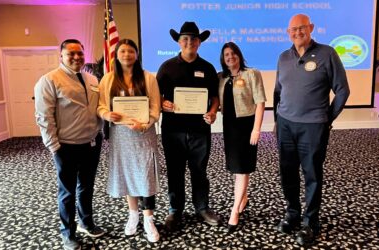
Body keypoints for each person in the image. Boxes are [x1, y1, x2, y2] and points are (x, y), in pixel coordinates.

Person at [273, 14, 350, 246]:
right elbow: (278, 92)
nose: (298, 32)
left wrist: (327, 118)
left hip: (313, 126)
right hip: (285, 124)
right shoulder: (283, 57)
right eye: (293, 29)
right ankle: (293, 213)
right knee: (287, 173)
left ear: (311, 28)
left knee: (312, 175)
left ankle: (310, 222)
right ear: (288, 33)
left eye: (302, 28)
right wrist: (277, 119)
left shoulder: (327, 54)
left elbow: (343, 90)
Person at [34, 39, 104, 250]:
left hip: (91, 142)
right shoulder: (48, 80)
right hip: (65, 146)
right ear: (61, 56)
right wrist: (53, 146)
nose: (76, 57)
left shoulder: (91, 78)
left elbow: (98, 106)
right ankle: (68, 233)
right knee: (67, 191)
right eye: (70, 54)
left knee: (86, 186)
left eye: (80, 54)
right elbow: (43, 116)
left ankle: (86, 222)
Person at [156, 21, 221, 231]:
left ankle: (202, 208)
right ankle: (175, 210)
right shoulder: (167, 67)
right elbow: (156, 96)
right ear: (179, 41)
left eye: (194, 38)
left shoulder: (208, 68)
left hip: (200, 131)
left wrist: (212, 112)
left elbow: (215, 97)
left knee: (199, 170)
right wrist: (162, 103)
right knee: (175, 171)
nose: (189, 42)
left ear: (199, 42)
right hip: (173, 130)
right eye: (185, 38)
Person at [97, 39, 161, 243]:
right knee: (127, 174)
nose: (127, 54)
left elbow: (155, 109)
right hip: (121, 136)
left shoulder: (148, 78)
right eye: (123, 51)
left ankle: (149, 218)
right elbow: (100, 107)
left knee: (145, 175)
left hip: (144, 133)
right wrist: (107, 115)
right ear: (117, 54)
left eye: (131, 51)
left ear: (137, 54)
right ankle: (133, 214)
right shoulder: (107, 79)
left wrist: (145, 124)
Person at [218, 42, 266, 233]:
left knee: (242, 169)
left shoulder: (251, 74)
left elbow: (260, 102)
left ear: (239, 55)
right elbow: (214, 100)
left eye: (233, 53)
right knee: (236, 168)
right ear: (223, 58)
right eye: (226, 54)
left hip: (246, 127)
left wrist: (256, 129)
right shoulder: (220, 78)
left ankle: (234, 211)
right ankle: (243, 198)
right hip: (229, 127)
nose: (230, 57)